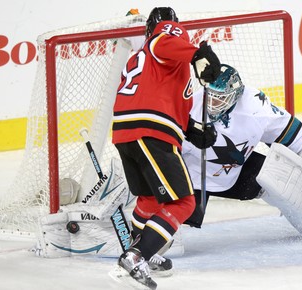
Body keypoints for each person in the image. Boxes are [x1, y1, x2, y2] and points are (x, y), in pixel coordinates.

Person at [180, 64, 302, 242]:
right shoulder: (187, 107)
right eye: (209, 96)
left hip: (232, 174)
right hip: (189, 177)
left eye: (219, 98)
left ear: (235, 95)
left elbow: (292, 135)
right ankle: (161, 233)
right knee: (171, 229)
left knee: (279, 176)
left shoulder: (254, 106)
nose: (212, 103)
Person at [112, 7, 220, 289]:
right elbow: (166, 37)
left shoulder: (148, 60)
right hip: (151, 130)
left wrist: (193, 130)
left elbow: (173, 104)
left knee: (149, 200)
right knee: (184, 202)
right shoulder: (166, 37)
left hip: (126, 131)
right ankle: (137, 257)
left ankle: (145, 248)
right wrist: (198, 54)